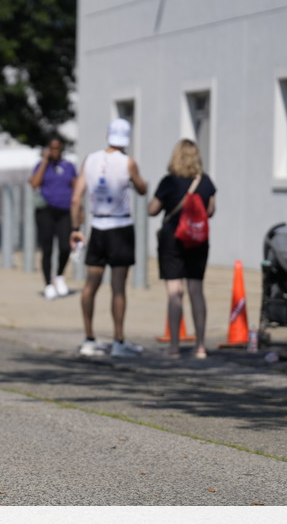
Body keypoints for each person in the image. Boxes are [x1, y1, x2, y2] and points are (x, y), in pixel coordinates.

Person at [69, 118, 147, 357]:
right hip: (120, 226)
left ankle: (89, 338)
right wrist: (135, 179)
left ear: (107, 135)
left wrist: (76, 227)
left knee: (90, 284)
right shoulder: (128, 162)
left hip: (97, 226)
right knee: (118, 288)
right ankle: (118, 340)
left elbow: (76, 198)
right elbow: (142, 189)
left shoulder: (90, 160)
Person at [147, 139, 217, 358]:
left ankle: (174, 346)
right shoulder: (205, 181)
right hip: (198, 239)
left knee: (174, 292)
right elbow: (211, 210)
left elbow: (152, 210)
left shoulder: (168, 181)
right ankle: (201, 346)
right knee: (196, 290)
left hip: (172, 239)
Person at [29, 136, 77, 299]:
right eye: (52, 148)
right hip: (46, 211)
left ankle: (59, 275)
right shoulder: (41, 165)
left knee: (65, 246)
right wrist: (44, 161)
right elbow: (34, 183)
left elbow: (76, 187)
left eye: (58, 148)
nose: (55, 151)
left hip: (64, 211)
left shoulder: (68, 166)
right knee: (47, 249)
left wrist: (79, 210)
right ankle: (48, 284)